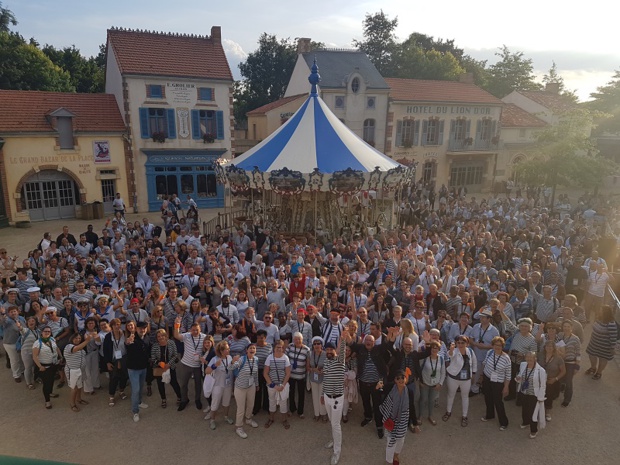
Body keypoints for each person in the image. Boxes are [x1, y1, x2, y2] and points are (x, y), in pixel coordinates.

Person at [321, 333, 351, 465]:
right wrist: (322, 394)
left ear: (335, 351)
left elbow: (343, 351)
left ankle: (337, 451)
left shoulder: (340, 360)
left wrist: (343, 340)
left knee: (335, 424)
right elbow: (325, 379)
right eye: (326, 349)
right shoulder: (326, 361)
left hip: (337, 399)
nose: (328, 351)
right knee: (332, 422)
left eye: (331, 349)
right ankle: (334, 440)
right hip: (327, 396)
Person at [443, 335, 477, 427]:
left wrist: (473, 374)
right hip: (453, 378)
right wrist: (451, 349)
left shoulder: (470, 351)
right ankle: (448, 412)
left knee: (465, 397)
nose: (460, 344)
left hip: (466, 379)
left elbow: (474, 362)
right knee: (451, 395)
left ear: (467, 343)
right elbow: (450, 355)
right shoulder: (454, 351)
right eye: (458, 342)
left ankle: (464, 416)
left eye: (463, 342)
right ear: (456, 343)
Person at [173, 321, 206, 411]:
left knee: (198, 384)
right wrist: (177, 325)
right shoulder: (187, 336)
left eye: (197, 330)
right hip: (186, 364)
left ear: (200, 329)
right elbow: (176, 335)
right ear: (190, 330)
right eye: (193, 330)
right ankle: (184, 400)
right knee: (183, 384)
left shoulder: (204, 337)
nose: (195, 332)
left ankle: (197, 399)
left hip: (197, 366)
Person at [480, 336, 511, 430]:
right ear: (492, 346)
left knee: (498, 401)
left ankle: (504, 422)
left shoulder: (506, 358)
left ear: (502, 346)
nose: (498, 347)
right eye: (496, 345)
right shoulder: (490, 352)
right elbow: (484, 364)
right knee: (488, 398)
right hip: (487, 378)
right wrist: (482, 377)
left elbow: (508, 375)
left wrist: (506, 387)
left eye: (500, 345)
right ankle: (490, 415)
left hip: (498, 382)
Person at [379, 369, 409, 465]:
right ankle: (389, 461)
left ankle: (396, 455)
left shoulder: (409, 392)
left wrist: (415, 423)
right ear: (395, 380)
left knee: (400, 441)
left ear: (406, 378)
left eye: (402, 377)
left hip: (402, 422)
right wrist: (377, 387)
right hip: (391, 421)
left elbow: (411, 407)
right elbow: (379, 393)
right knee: (390, 443)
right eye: (398, 378)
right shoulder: (390, 389)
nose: (400, 380)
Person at [231, 343, 260, 439]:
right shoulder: (242, 359)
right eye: (250, 348)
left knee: (251, 405)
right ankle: (238, 427)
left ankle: (248, 419)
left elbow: (255, 374)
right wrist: (233, 361)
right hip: (240, 388)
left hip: (250, 386)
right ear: (246, 350)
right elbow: (230, 368)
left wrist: (256, 384)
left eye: (254, 348)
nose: (252, 349)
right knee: (241, 408)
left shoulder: (256, 359)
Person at [515, 351, 547, 438]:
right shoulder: (523, 365)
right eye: (527, 357)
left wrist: (541, 397)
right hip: (524, 392)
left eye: (531, 357)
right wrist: (518, 378)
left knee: (533, 412)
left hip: (534, 395)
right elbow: (520, 376)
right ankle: (525, 422)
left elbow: (543, 385)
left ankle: (534, 430)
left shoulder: (541, 371)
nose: (529, 359)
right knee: (524, 408)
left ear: (535, 358)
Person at [205, 340, 235, 429]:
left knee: (227, 402)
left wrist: (234, 362)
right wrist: (214, 366)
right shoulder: (215, 359)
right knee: (215, 403)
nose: (228, 351)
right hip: (218, 385)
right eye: (226, 349)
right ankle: (212, 420)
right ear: (221, 351)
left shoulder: (230, 357)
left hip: (228, 385)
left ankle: (226, 417)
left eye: (228, 349)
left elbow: (231, 369)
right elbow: (207, 371)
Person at [125, 321, 150, 422]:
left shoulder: (147, 338)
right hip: (133, 369)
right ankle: (135, 411)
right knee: (135, 390)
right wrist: (128, 342)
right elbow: (127, 344)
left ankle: (139, 402)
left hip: (143, 367)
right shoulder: (132, 338)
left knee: (140, 387)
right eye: (140, 328)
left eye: (144, 328)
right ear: (136, 329)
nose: (142, 330)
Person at [32, 326, 62, 409]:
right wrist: (40, 366)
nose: (47, 332)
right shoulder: (37, 343)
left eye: (49, 331)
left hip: (53, 364)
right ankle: (47, 401)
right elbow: (34, 356)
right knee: (46, 383)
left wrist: (61, 356)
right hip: (45, 366)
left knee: (52, 380)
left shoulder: (52, 339)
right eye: (45, 331)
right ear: (41, 332)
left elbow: (56, 348)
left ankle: (50, 392)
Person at [263, 340, 291, 429]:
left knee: (283, 402)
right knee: (272, 401)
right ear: (274, 348)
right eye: (278, 347)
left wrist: (282, 385)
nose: (279, 349)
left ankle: (284, 419)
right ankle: (271, 418)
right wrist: (272, 385)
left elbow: (288, 373)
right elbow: (265, 373)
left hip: (283, 385)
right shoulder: (269, 358)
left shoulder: (285, 358)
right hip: (272, 385)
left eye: (281, 347)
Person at [585, 305, 618, 380]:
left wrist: (612, 348)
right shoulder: (598, 319)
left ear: (605, 312)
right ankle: (593, 368)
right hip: (594, 343)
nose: (599, 311)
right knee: (591, 355)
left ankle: (599, 372)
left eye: (601, 310)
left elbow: (613, 337)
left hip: (604, 346)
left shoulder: (611, 324)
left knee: (603, 358)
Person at [150, 329, 181, 408]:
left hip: (170, 366)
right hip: (159, 368)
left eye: (162, 336)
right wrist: (159, 363)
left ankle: (179, 397)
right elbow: (152, 358)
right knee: (160, 384)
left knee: (174, 383)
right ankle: (163, 399)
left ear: (166, 336)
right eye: (158, 336)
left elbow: (175, 355)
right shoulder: (155, 346)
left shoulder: (171, 343)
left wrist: (169, 364)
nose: (160, 338)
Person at [418, 340, 445, 426]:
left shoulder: (441, 359)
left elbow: (443, 372)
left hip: (435, 384)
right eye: (432, 348)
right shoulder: (425, 358)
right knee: (423, 400)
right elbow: (419, 369)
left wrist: (440, 383)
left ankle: (430, 416)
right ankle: (420, 416)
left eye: (436, 348)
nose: (434, 350)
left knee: (431, 401)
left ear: (439, 349)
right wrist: (420, 381)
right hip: (425, 383)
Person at [102, 318, 128, 406]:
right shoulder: (108, 336)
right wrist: (107, 362)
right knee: (113, 378)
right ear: (111, 326)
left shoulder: (124, 333)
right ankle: (111, 396)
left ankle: (121, 391)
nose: (117, 326)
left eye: (118, 324)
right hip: (113, 359)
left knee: (124, 376)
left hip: (124, 358)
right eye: (115, 324)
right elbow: (105, 350)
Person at [63, 332, 91, 412]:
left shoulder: (80, 347)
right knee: (74, 388)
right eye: (76, 338)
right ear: (72, 338)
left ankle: (79, 399)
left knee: (79, 386)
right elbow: (75, 349)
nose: (78, 340)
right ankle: (72, 404)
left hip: (80, 370)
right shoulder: (69, 346)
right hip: (72, 371)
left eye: (79, 338)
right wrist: (87, 341)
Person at [540, 339, 565, 421]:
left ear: (554, 348)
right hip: (540, 380)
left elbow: (563, 371)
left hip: (551, 381)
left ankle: (547, 412)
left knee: (549, 396)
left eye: (551, 346)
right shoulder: (540, 355)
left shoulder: (558, 358)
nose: (549, 348)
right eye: (547, 346)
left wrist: (555, 379)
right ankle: (538, 410)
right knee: (538, 395)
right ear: (544, 347)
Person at [286, 331, 309, 419]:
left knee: (301, 394)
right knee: (291, 393)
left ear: (302, 340)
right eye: (295, 339)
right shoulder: (290, 346)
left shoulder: (306, 349)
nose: (297, 341)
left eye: (299, 339)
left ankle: (300, 411)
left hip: (301, 376)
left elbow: (307, 362)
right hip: (291, 375)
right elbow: (285, 356)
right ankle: (292, 409)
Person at [308, 336, 328, 422]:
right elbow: (307, 367)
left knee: (322, 396)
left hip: (323, 378)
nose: (316, 345)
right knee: (314, 397)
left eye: (318, 344)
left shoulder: (326, 354)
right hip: (313, 378)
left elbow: (329, 366)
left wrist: (323, 371)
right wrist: (313, 369)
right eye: (315, 344)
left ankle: (323, 413)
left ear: (321, 345)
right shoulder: (310, 353)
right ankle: (317, 414)